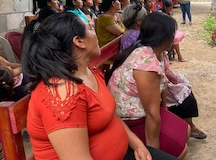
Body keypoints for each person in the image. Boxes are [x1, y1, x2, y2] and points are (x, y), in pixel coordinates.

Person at [21, 12, 176, 160]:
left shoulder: (91, 73)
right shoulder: (62, 93)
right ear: (79, 41)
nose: (95, 34)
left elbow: (111, 116)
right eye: (90, 28)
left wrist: (137, 145)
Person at [106, 12, 189, 159]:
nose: (174, 37)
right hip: (128, 119)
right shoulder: (146, 62)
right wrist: (154, 152)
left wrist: (165, 111)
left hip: (143, 110)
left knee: (186, 130)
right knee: (181, 150)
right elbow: (151, 113)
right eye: (172, 33)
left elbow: (161, 88)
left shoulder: (157, 52)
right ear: (163, 37)